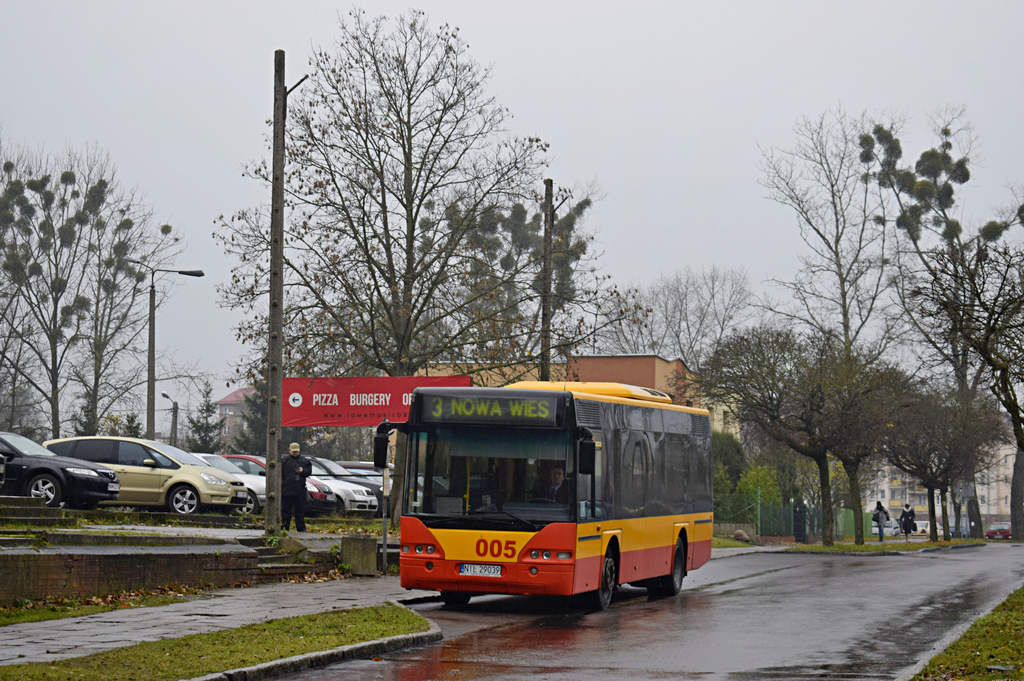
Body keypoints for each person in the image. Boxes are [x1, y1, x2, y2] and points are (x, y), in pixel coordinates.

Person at [281, 442, 311, 532]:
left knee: (300, 511)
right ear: (289, 450)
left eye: (296, 451)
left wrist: (303, 471)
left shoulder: (304, 461)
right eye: (293, 451)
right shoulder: (284, 461)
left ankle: (301, 528)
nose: (295, 453)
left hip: (299, 489)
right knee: (286, 511)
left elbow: (309, 472)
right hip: (287, 490)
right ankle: (285, 527)